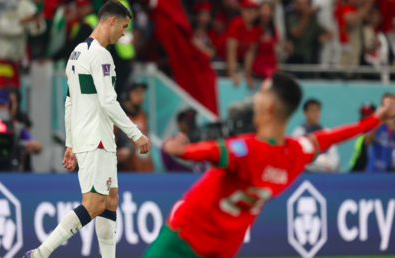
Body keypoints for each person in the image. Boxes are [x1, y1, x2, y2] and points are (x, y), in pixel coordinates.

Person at [143, 73, 394, 258]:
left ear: (269, 108)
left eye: (261, 92)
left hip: (183, 239)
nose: (256, 98)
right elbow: (336, 135)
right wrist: (374, 119)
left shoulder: (249, 149)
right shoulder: (296, 153)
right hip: (222, 249)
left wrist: (183, 150)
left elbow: (213, 151)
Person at [23, 1, 151, 258]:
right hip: (98, 140)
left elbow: (69, 101)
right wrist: (136, 134)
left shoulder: (77, 53)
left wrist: (70, 143)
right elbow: (107, 101)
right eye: (124, 26)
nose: (124, 33)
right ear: (111, 21)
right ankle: (39, 254)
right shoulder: (102, 55)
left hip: (88, 138)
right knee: (93, 206)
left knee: (111, 200)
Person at [292, 99, 340, 172]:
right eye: (312, 111)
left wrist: (330, 165)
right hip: (305, 174)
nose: (315, 114)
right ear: (305, 113)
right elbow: (296, 157)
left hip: (325, 174)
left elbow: (334, 156)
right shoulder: (299, 132)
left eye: (317, 111)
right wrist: (315, 164)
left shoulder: (327, 131)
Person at [223, 0, 262, 88]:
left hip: (238, 60)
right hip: (221, 58)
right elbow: (231, 49)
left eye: (253, 10)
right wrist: (232, 73)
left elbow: (250, 53)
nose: (250, 12)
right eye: (247, 9)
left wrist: (247, 75)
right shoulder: (236, 23)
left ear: (257, 12)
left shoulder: (256, 29)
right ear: (242, 10)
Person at [117, 81, 154, 172]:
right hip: (125, 171)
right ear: (126, 94)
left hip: (145, 169)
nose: (141, 96)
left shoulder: (142, 115)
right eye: (136, 92)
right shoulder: (117, 116)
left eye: (142, 93)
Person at [286, 0, 332, 64]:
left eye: (305, 4)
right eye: (300, 4)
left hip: (308, 59)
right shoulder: (291, 18)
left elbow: (329, 33)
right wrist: (306, 16)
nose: (303, 7)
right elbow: (296, 34)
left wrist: (323, 37)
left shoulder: (312, 22)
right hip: (292, 58)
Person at [364, 93, 395, 172]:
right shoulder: (375, 123)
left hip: (390, 173)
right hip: (373, 171)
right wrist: (379, 123)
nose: (390, 107)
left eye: (392, 104)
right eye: (386, 104)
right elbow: (367, 142)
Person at [349, 102, 376, 172]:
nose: (362, 117)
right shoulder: (362, 134)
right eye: (361, 113)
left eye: (366, 114)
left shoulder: (373, 135)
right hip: (355, 174)